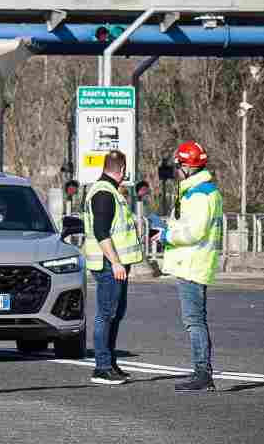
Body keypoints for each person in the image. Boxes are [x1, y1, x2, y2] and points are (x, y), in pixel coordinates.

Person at [148, 141, 224, 392]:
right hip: (192, 262)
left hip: (193, 263)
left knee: (194, 321)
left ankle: (203, 373)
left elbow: (195, 232)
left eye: (178, 166)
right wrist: (168, 228)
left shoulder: (200, 194)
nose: (175, 170)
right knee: (195, 319)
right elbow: (188, 225)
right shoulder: (196, 191)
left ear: (187, 167)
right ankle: (202, 372)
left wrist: (167, 236)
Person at [82, 150, 144, 385]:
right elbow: (101, 232)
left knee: (115, 314)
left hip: (114, 263)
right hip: (109, 263)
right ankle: (102, 367)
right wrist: (116, 262)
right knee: (106, 315)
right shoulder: (103, 193)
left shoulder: (108, 191)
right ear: (122, 170)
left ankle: (110, 363)